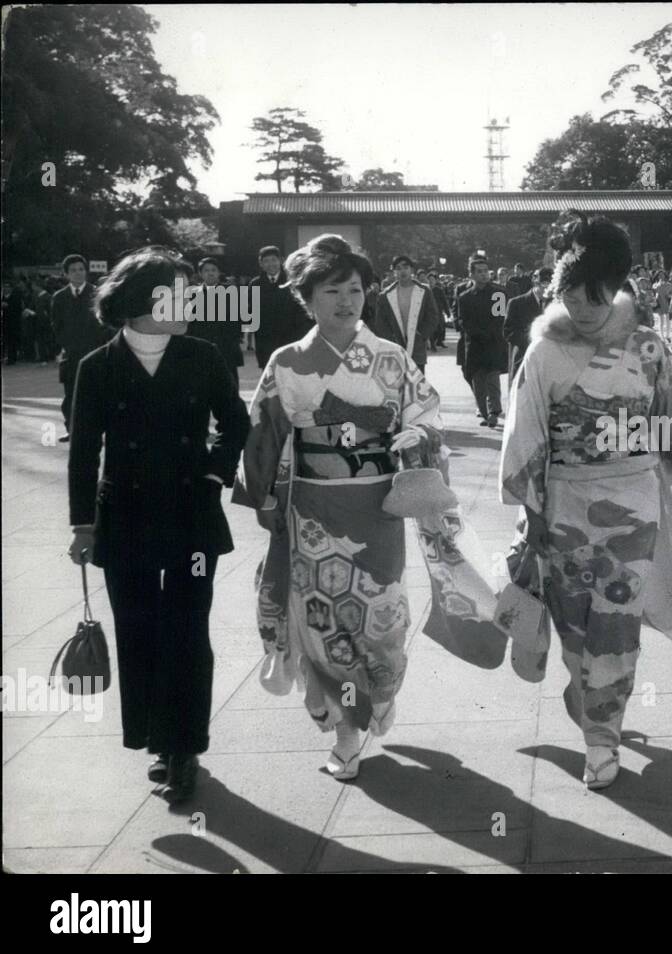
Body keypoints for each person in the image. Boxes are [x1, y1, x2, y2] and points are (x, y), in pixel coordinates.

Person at [232, 234, 503, 781]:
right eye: (332, 290)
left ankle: (374, 696)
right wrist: (264, 498)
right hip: (312, 508)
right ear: (306, 298)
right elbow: (262, 436)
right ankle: (347, 731)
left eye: (354, 289)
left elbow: (426, 411)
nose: (346, 300)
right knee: (322, 622)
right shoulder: (288, 362)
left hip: (377, 507)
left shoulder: (389, 357)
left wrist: (414, 436)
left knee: (380, 619)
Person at [499, 214, 672, 789]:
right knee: (574, 620)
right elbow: (526, 435)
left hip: (634, 500)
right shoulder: (544, 355)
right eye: (571, 294)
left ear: (616, 290)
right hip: (567, 501)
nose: (584, 307)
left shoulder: (647, 347)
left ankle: (602, 739)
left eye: (596, 295)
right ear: (557, 291)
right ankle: (585, 687)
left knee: (617, 619)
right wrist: (532, 510)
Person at [67, 247, 251, 802]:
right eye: (178, 292)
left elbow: (236, 421)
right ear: (142, 301)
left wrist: (217, 473)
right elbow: (82, 453)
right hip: (123, 517)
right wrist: (82, 526)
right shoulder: (96, 366)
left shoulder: (202, 355)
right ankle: (154, 738)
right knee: (139, 628)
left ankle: (185, 745)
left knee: (189, 628)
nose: (190, 301)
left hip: (192, 513)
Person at [51, 255, 104, 441]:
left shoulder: (97, 294)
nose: (78, 273)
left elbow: (105, 325)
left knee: (96, 394)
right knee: (70, 395)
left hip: (94, 351)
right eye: (73, 270)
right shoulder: (59, 297)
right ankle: (72, 430)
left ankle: (96, 430)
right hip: (71, 354)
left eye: (81, 269)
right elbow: (56, 326)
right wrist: (66, 346)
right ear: (66, 274)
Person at [457, 255, 510, 427]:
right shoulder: (464, 297)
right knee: (477, 381)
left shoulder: (499, 293)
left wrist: (491, 335)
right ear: (471, 275)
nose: (484, 275)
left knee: (492, 378)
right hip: (473, 344)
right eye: (479, 272)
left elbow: (500, 317)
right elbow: (464, 322)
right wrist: (478, 334)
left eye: (486, 271)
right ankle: (484, 412)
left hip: (494, 342)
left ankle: (495, 411)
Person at [372, 255, 438, 370]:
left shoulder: (424, 291)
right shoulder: (385, 295)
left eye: (405, 267)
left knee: (417, 385)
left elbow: (432, 316)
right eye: (398, 268)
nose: (402, 271)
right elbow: (380, 322)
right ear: (394, 272)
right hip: (394, 348)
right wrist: (390, 339)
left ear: (411, 270)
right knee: (396, 386)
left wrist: (422, 334)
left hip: (417, 346)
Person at [252, 245, 312, 369]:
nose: (270, 264)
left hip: (291, 337)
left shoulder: (292, 281)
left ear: (281, 261)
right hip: (266, 338)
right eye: (266, 261)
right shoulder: (255, 284)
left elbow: (302, 310)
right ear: (261, 264)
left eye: (274, 260)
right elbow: (251, 312)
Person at [189, 257, 245, 380]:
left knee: (229, 382)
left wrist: (234, 339)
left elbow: (237, 319)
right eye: (206, 270)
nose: (210, 273)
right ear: (200, 273)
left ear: (219, 272)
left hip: (226, 345)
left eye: (214, 270)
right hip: (202, 345)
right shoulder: (193, 294)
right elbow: (191, 323)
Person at [504, 266, 551, 384]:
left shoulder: (557, 303)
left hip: (549, 363)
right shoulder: (517, 303)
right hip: (524, 359)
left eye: (550, 285)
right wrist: (533, 341)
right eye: (544, 284)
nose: (547, 289)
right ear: (535, 282)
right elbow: (508, 332)